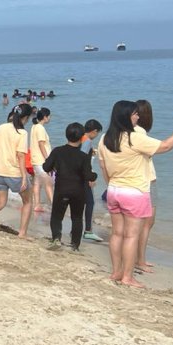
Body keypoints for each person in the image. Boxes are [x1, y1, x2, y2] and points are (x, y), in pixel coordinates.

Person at [98, 100, 173, 288]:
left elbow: (103, 166)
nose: (138, 116)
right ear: (126, 116)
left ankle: (117, 271)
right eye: (134, 114)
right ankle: (127, 276)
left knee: (117, 233)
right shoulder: (134, 137)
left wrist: (112, 185)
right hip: (134, 191)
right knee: (131, 235)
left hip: (114, 190)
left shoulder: (104, 138)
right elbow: (165, 146)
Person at [0, 104, 34, 238]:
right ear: (25, 117)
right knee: (28, 202)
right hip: (14, 173)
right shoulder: (22, 132)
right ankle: (22, 233)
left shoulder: (1, 127)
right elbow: (21, 156)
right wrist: (23, 177)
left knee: (0, 202)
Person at [41, 122, 97, 251]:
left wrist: (54, 167)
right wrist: (95, 176)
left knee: (56, 216)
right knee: (77, 218)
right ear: (81, 137)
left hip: (61, 189)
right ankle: (75, 245)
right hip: (78, 191)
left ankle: (56, 238)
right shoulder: (83, 156)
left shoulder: (58, 151)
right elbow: (88, 175)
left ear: (66, 135)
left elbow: (46, 167)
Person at [133, 99, 157, 273]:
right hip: (145, 181)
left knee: (136, 224)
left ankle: (137, 258)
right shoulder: (140, 134)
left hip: (132, 181)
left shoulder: (125, 133)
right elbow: (165, 146)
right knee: (146, 223)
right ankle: (139, 259)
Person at [80, 119, 105, 242]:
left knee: (79, 203)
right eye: (97, 133)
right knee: (90, 203)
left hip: (76, 176)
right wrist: (89, 177)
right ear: (94, 131)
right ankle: (88, 231)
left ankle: (77, 229)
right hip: (84, 176)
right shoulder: (88, 141)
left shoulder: (80, 137)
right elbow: (83, 160)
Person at [30, 107, 54, 212]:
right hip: (41, 161)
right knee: (48, 184)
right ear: (45, 117)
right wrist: (48, 159)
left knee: (37, 183)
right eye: (49, 116)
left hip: (35, 160)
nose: (50, 118)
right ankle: (54, 206)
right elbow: (41, 144)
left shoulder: (34, 127)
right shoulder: (40, 128)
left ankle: (37, 205)